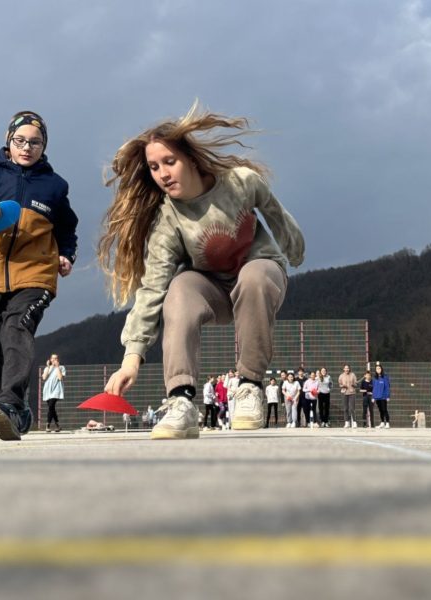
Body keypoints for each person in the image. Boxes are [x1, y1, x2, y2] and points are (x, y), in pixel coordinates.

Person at [98, 104, 306, 440]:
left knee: (253, 276)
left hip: (261, 278)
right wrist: (131, 359)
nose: (163, 174)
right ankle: (180, 401)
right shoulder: (168, 221)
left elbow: (277, 215)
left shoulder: (240, 183)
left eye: (170, 162)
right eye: (154, 167)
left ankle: (249, 386)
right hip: (214, 293)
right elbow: (152, 290)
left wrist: (296, 251)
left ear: (191, 159)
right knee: (179, 286)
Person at [0, 110, 78, 441]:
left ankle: (9, 403)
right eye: (20, 140)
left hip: (36, 272)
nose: (27, 148)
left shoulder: (55, 186)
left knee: (16, 328)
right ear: (8, 141)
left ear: (44, 146)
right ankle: (16, 403)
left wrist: (66, 254)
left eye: (35, 142)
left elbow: (67, 227)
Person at [41, 354, 66, 433]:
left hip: (56, 389)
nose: (54, 360)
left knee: (51, 406)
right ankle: (58, 425)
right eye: (52, 358)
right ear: (50, 359)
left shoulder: (61, 367)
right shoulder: (47, 368)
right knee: (51, 408)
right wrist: (48, 367)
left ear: (58, 360)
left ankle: (47, 425)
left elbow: (60, 377)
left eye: (56, 358)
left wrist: (57, 367)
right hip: (48, 389)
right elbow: (44, 377)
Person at [373, 364, 392, 429]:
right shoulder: (375, 378)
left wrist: (388, 396)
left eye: (379, 368)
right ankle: (382, 423)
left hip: (383, 397)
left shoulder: (385, 377)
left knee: (384, 410)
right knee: (380, 410)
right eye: (377, 369)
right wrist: (373, 397)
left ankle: (387, 423)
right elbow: (374, 388)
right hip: (377, 397)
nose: (378, 370)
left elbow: (387, 387)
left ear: (381, 369)